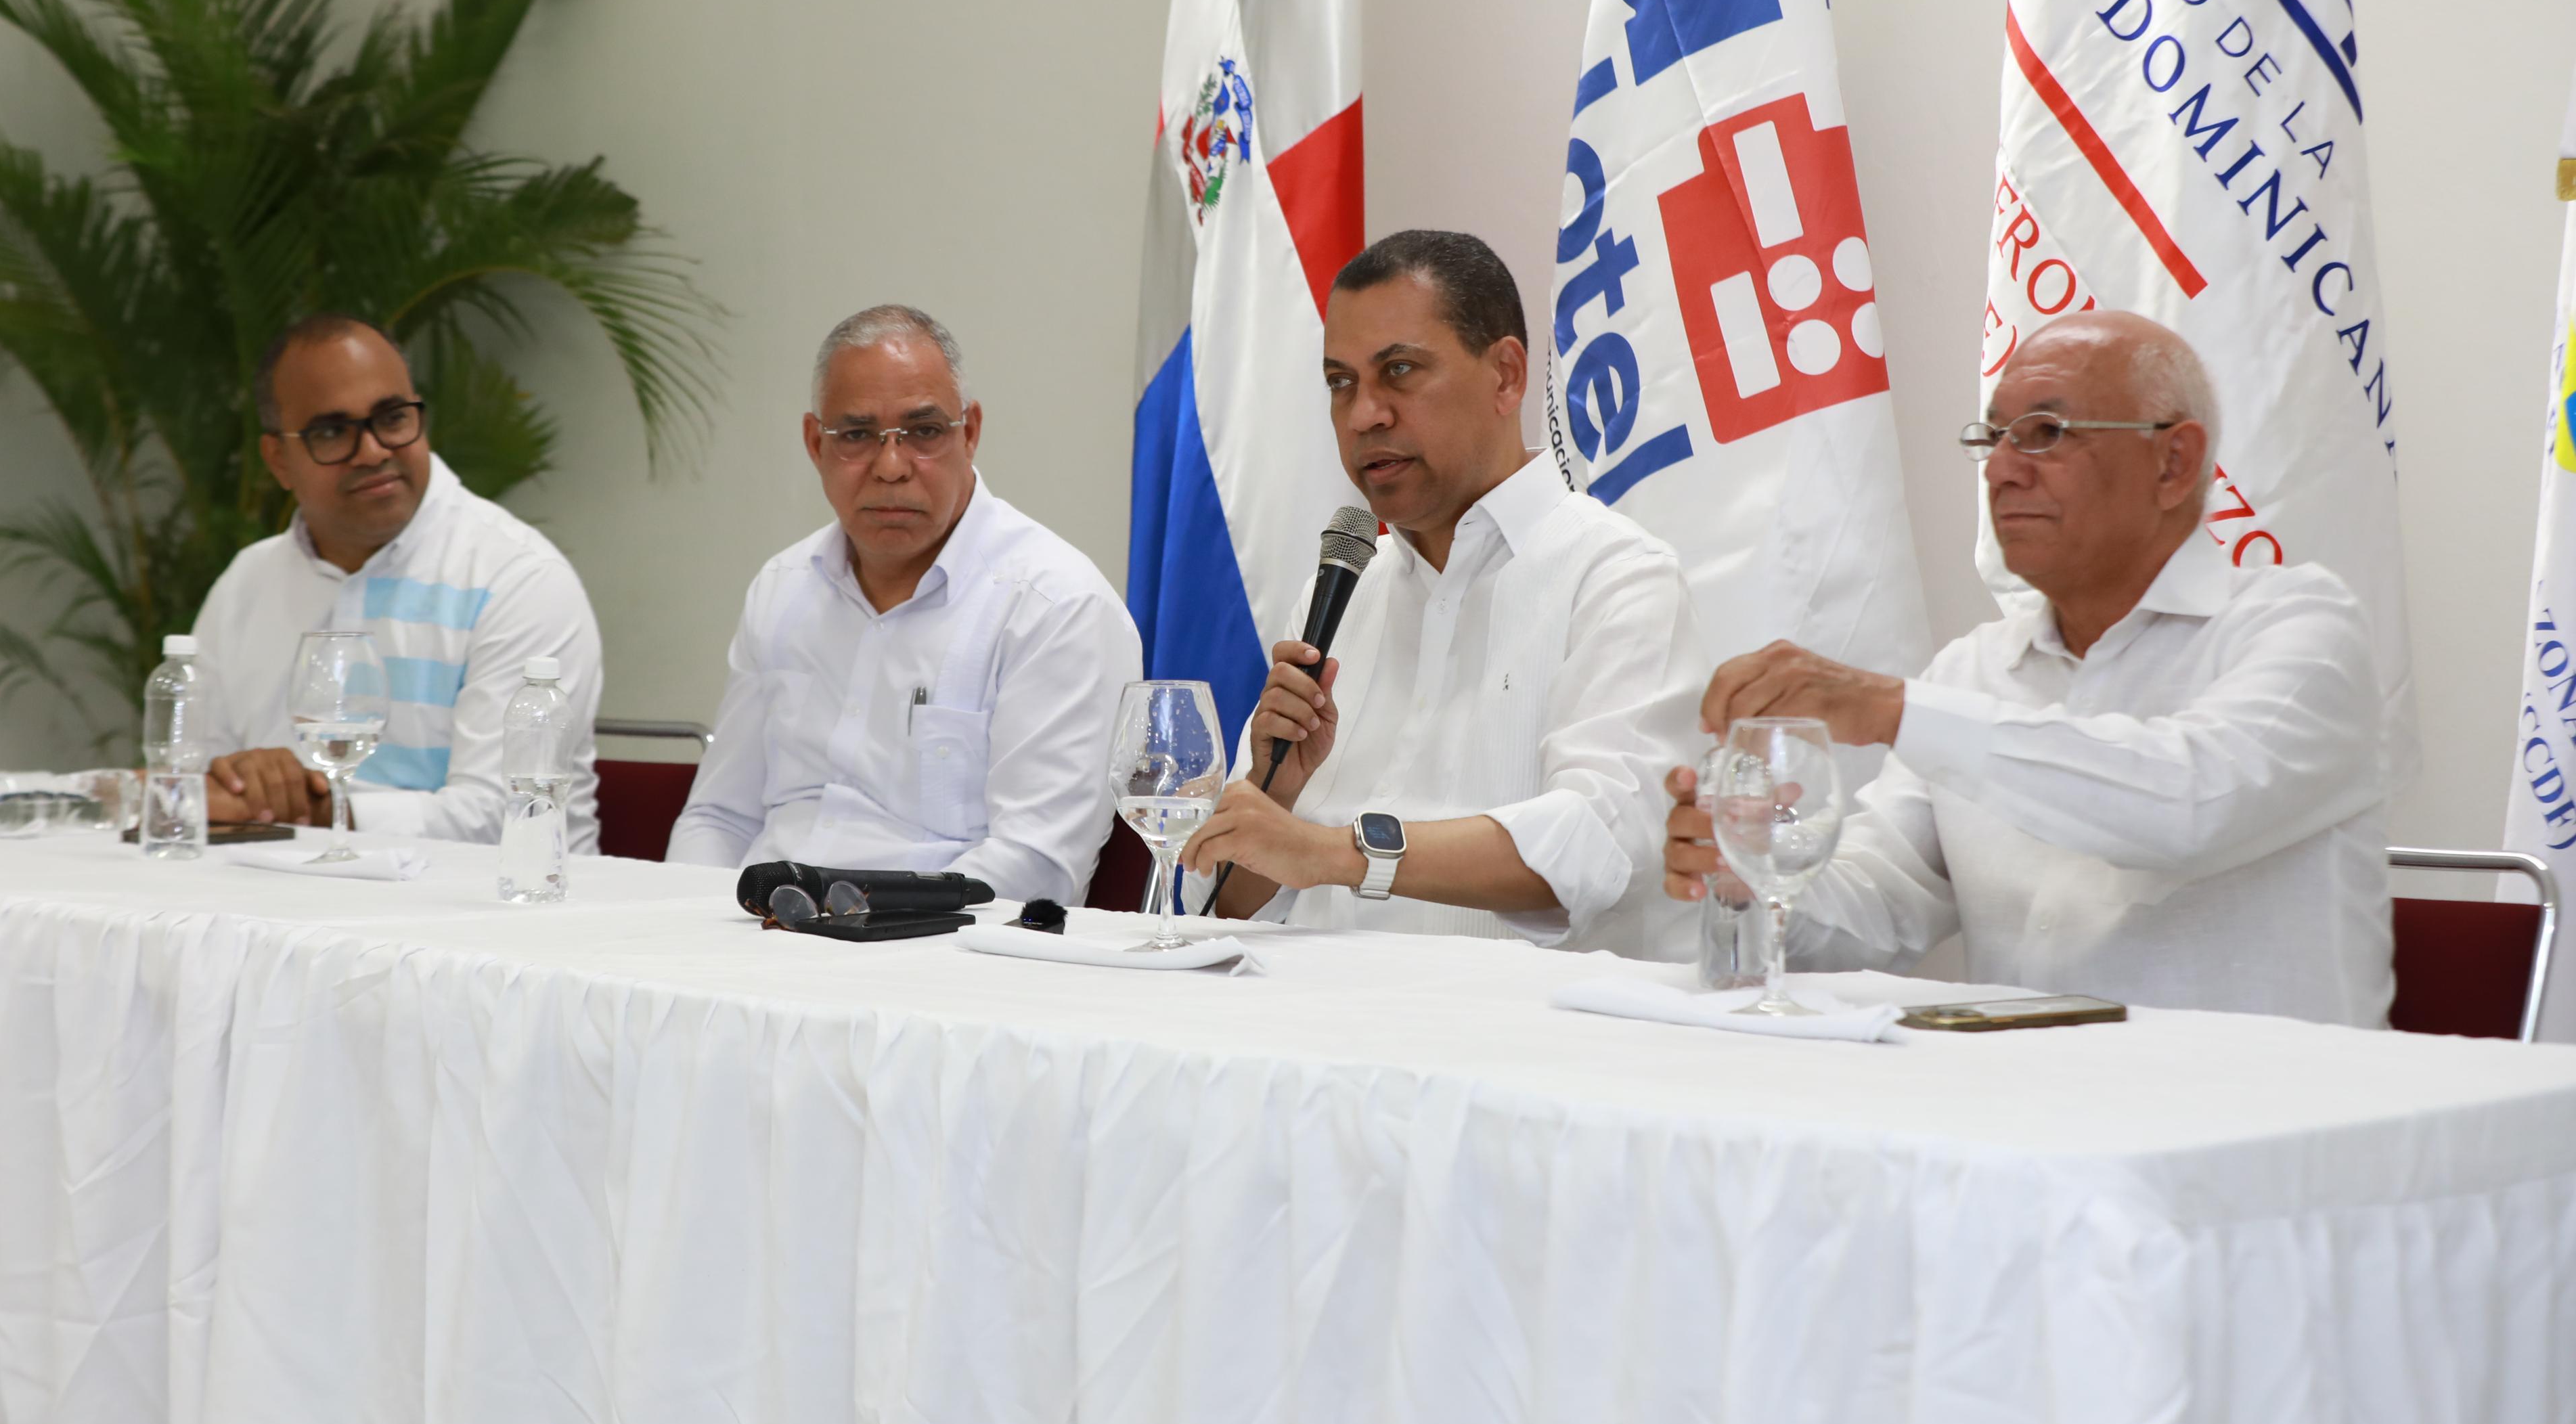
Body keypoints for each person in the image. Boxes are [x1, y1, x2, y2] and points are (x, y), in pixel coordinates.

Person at [1661, 311, 2390, 1024]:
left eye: (2044, 435)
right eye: (1991, 438)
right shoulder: (1971, 671)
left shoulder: (2301, 628)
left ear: (2172, 462)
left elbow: (2186, 802)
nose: (2002, 471)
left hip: (2268, 1117)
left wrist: (1891, 709)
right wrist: (1755, 874)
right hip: (2028, 1112)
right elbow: (1878, 905)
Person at [1181, 230, 1709, 952]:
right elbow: (1224, 907)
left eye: (1398, 371)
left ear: (1505, 375)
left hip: (1508, 1045)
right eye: (1340, 382)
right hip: (1311, 1034)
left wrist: (1332, 850)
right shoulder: (1338, 590)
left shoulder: (1614, 576)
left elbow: (1597, 843)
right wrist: (1276, 799)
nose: (1364, 413)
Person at [667, 305, 1142, 903]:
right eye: (858, 435)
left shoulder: (1055, 606)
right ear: (817, 443)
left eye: (923, 432)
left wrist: (842, 926)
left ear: (969, 433)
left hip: (933, 959)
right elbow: (720, 819)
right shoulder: (783, 587)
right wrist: (685, 935)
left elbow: (1036, 865)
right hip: (761, 939)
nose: (891, 468)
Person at [195, 315, 604, 847]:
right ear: (279, 460)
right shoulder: (246, 582)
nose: (372, 451)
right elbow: (200, 789)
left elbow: (501, 819)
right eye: (332, 432)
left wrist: (319, 809)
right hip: (278, 905)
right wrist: (246, 789)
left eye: (391, 417)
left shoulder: (518, 579)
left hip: (484, 916)